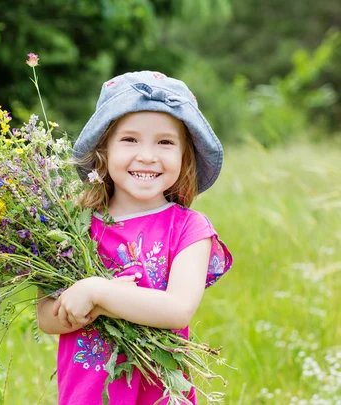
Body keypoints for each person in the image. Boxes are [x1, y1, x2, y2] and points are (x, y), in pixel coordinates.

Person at [36, 71, 233, 404]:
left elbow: (177, 310)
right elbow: (46, 317)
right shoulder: (72, 228)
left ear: (184, 155)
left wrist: (96, 291)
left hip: (157, 395)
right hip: (88, 396)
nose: (147, 155)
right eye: (130, 140)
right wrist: (91, 304)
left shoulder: (190, 229)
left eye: (165, 142)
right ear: (104, 150)